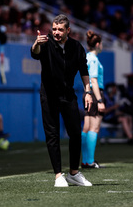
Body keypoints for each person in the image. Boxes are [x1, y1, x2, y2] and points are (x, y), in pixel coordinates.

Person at [30, 14, 93, 187]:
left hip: (68, 95)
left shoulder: (76, 47)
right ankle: (58, 175)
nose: (56, 32)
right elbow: (35, 54)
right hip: (49, 96)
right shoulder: (45, 43)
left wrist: (88, 92)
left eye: (60, 30)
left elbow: (83, 70)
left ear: (68, 31)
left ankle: (74, 173)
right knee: (52, 135)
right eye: (54, 29)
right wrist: (36, 43)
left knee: (75, 134)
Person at [81, 30, 105, 169]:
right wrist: (100, 100)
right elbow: (94, 80)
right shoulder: (94, 59)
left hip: (87, 92)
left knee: (86, 128)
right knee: (94, 128)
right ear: (97, 44)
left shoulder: (87, 57)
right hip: (95, 93)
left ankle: (85, 160)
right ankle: (89, 161)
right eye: (101, 44)